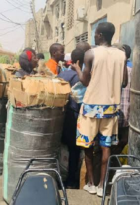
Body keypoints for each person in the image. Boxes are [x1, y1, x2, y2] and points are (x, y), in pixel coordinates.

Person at [71, 22, 128, 197]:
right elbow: (124, 82)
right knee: (106, 147)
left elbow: (86, 82)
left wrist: (77, 70)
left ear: (100, 35)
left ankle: (91, 183)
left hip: (90, 108)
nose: (94, 36)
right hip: (110, 108)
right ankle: (103, 185)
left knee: (87, 146)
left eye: (95, 34)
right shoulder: (122, 55)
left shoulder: (91, 53)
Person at [58, 48, 85, 188]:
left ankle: (59, 176)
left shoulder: (62, 73)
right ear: (81, 61)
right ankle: (71, 181)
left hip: (60, 115)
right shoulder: (78, 77)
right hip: (73, 117)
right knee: (74, 149)